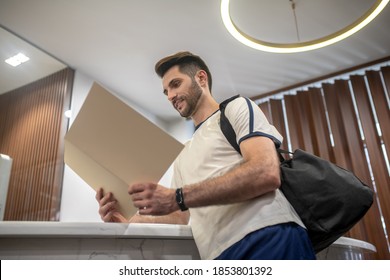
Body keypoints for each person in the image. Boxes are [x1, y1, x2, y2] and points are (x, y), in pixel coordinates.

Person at [96, 51, 316, 260]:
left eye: (175, 84)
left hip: (269, 236)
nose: (171, 96)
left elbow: (265, 173)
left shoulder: (235, 109)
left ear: (201, 78)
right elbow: (180, 217)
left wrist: (177, 197)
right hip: (217, 255)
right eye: (166, 92)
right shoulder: (183, 154)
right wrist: (126, 221)